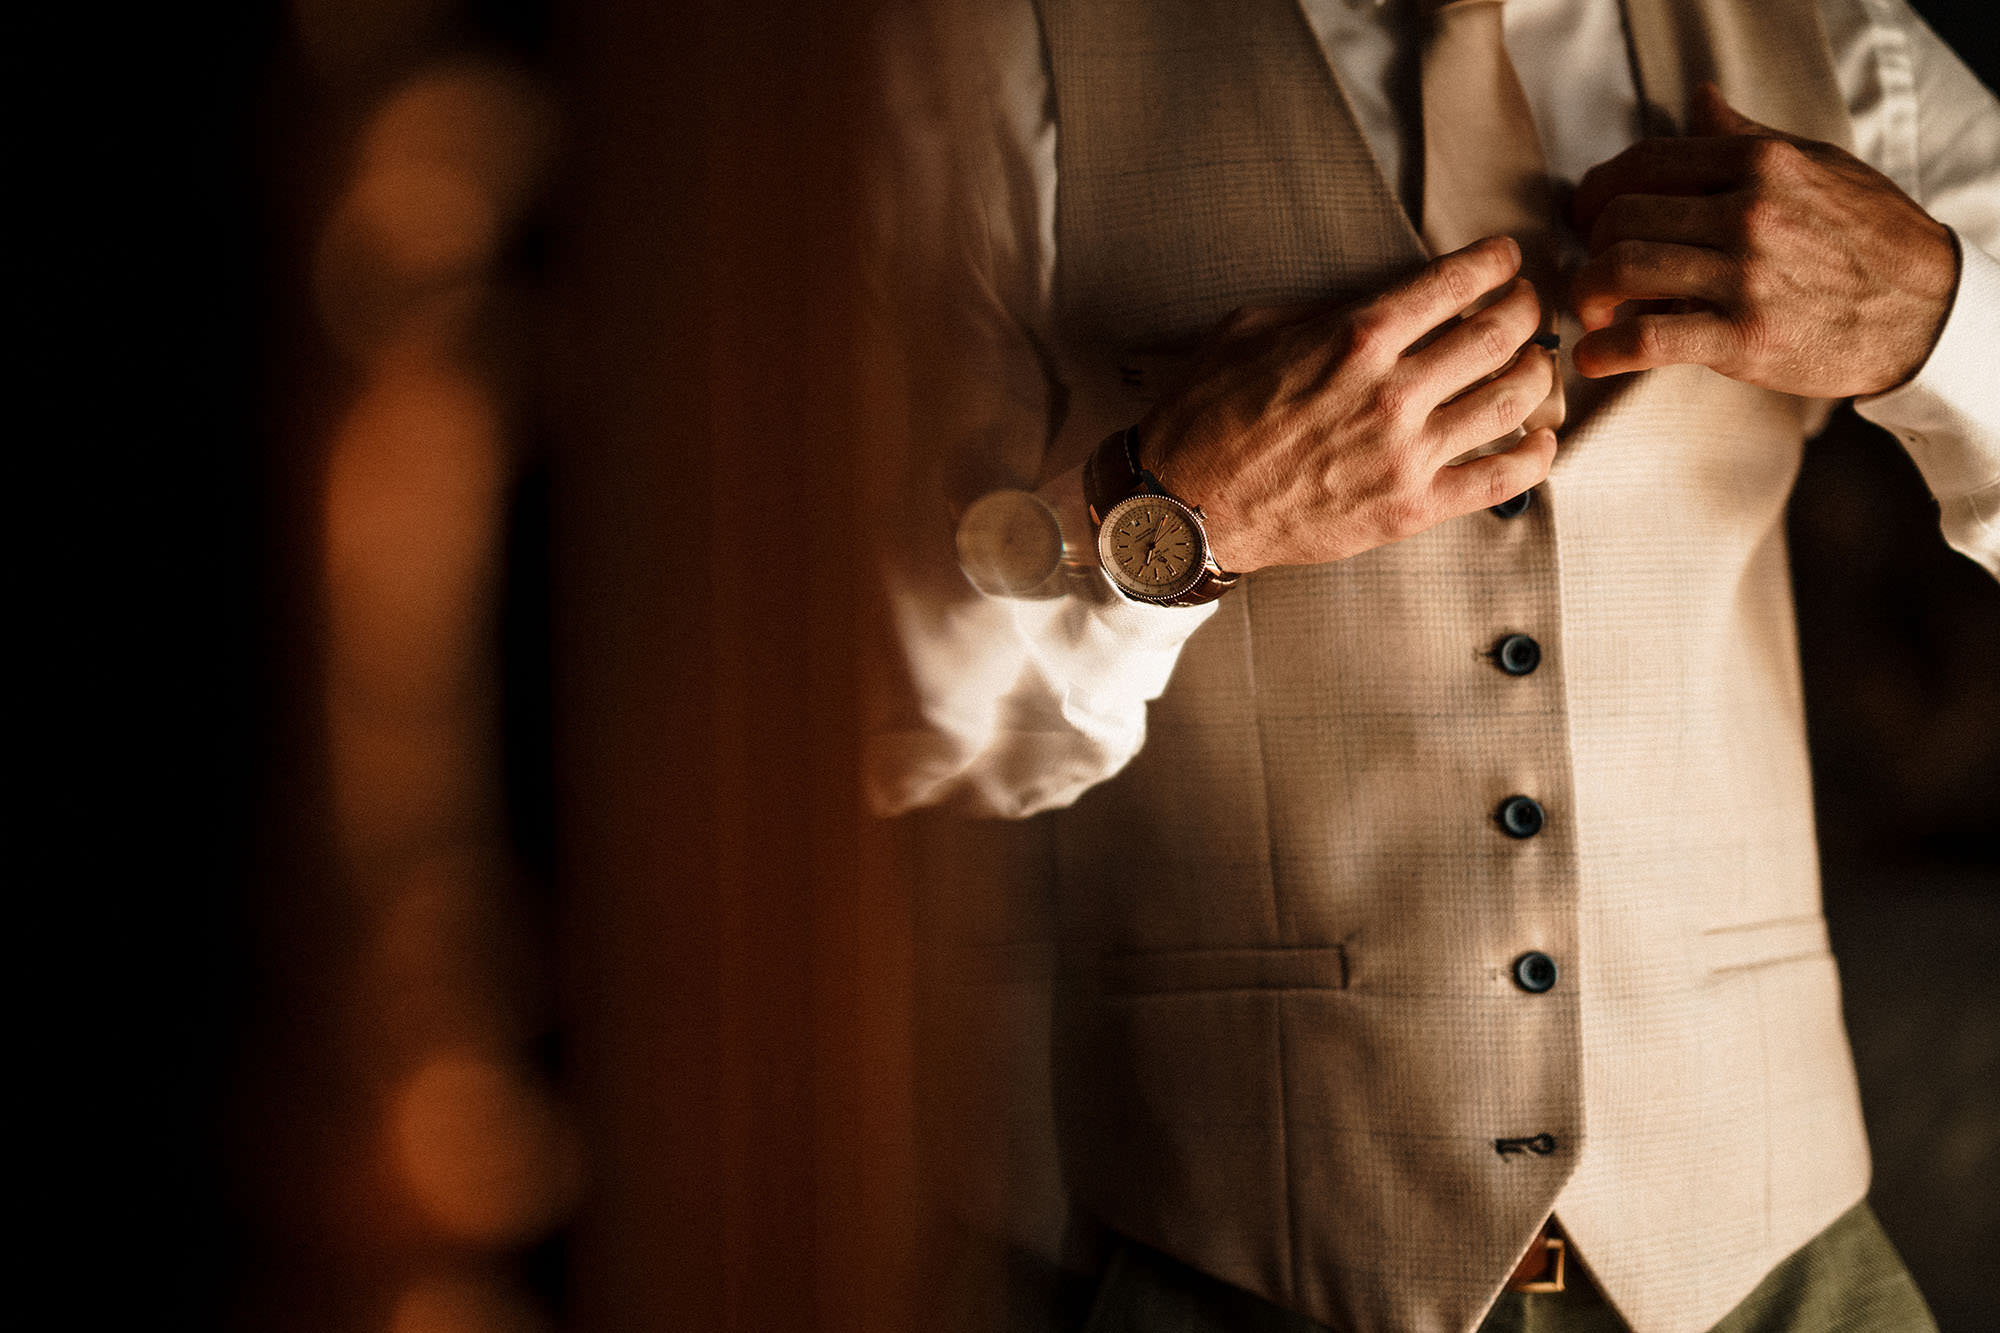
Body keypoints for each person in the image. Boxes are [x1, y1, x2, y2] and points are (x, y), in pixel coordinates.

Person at [865, 1, 1999, 1329]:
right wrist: (1170, 516)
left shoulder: (1828, 37)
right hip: (1237, 1257)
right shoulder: (1007, 52)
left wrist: (1945, 314)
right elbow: (861, 708)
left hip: (1770, 1260)